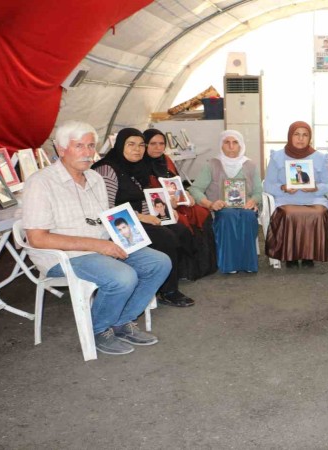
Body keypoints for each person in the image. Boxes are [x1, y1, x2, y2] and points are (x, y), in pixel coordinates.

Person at [22, 120, 170, 355]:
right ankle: (99, 329)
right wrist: (98, 245)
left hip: (101, 245)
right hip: (64, 256)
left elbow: (105, 218)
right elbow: (38, 239)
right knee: (123, 276)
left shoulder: (94, 178)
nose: (87, 152)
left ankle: (122, 321)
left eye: (91, 146)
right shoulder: (40, 183)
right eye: (79, 146)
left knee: (159, 262)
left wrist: (129, 237)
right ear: (61, 149)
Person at [92, 128, 196, 308]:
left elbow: (143, 198)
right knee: (165, 237)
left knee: (178, 229)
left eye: (141, 145)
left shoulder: (137, 167)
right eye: (131, 144)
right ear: (120, 146)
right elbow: (106, 208)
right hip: (118, 223)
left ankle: (167, 277)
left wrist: (165, 211)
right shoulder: (107, 169)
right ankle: (168, 291)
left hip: (138, 217)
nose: (137, 149)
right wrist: (142, 217)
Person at [142, 128, 218, 280]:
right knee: (181, 221)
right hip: (157, 206)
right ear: (145, 145)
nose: (158, 147)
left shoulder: (166, 160)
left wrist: (187, 194)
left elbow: (177, 183)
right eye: (153, 144)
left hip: (176, 201)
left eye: (161, 144)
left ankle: (203, 265)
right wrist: (167, 204)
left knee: (202, 213)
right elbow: (145, 194)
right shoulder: (140, 165)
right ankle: (185, 270)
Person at [189, 130, 262, 274]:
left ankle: (248, 262)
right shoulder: (211, 165)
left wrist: (253, 200)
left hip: (245, 206)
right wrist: (210, 204)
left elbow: (258, 191)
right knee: (228, 215)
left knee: (248, 216)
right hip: (221, 208)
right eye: (227, 142)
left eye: (235, 142)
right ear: (221, 145)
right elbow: (195, 189)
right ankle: (230, 264)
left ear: (241, 145)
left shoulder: (250, 165)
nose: (231, 146)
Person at [264, 121, 328, 268]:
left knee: (319, 213)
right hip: (286, 199)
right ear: (290, 136)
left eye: (305, 135)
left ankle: (310, 255)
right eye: (297, 134)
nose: (300, 138)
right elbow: (267, 185)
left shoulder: (320, 158)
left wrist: (316, 188)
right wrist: (283, 187)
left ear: (310, 138)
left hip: (314, 199)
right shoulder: (277, 157)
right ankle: (290, 255)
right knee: (289, 213)